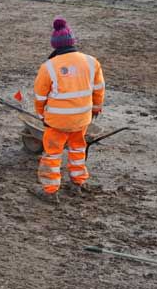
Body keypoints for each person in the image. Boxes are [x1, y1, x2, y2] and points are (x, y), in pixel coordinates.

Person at [32, 18, 105, 201]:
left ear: (55, 46)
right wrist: (96, 108)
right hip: (81, 119)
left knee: (52, 154)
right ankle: (78, 182)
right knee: (78, 150)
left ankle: (50, 191)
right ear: (72, 41)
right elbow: (99, 89)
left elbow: (40, 96)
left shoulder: (48, 67)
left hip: (57, 122)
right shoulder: (91, 62)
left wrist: (41, 115)